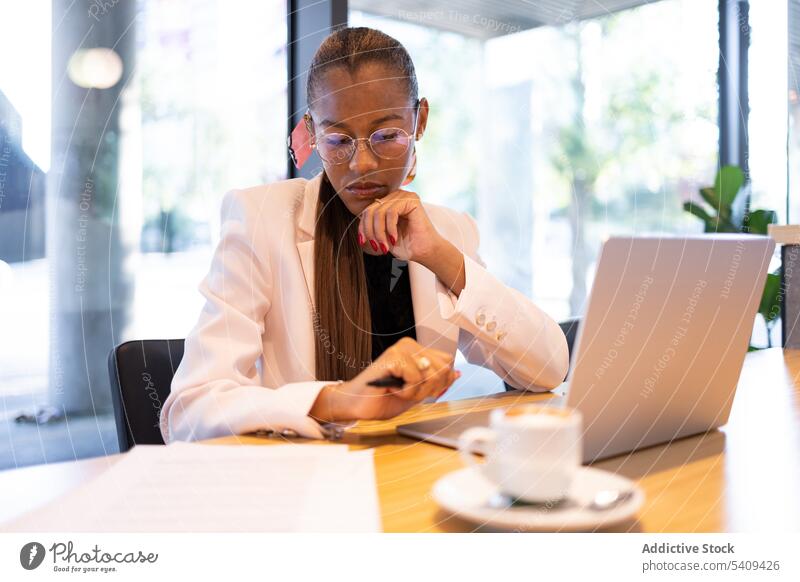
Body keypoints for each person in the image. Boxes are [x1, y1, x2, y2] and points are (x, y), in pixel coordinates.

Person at [159, 26, 568, 443]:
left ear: (420, 119)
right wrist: (340, 400)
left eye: (387, 136)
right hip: (306, 483)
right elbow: (189, 411)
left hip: (411, 477)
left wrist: (441, 257)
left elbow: (549, 367)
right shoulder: (261, 219)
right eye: (337, 140)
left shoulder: (445, 231)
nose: (362, 164)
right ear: (312, 132)